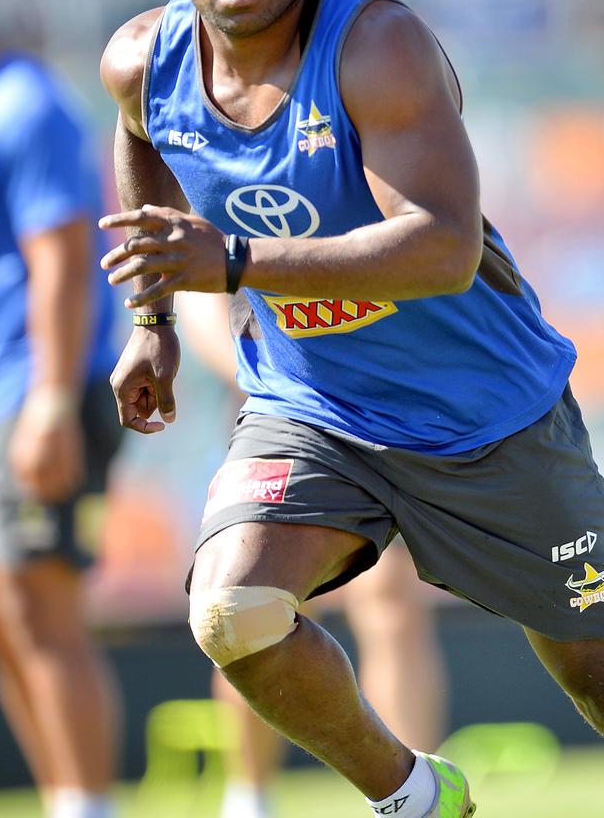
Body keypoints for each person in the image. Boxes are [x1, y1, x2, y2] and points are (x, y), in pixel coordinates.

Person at [98, 0, 604, 818]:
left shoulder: (376, 44)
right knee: (230, 607)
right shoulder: (142, 60)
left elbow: (440, 250)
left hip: (486, 417)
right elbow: (140, 140)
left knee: (598, 667)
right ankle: (417, 798)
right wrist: (152, 323)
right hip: (314, 410)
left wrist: (237, 265)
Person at [178, 290, 448, 818]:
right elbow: (198, 296)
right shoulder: (223, 208)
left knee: (391, 597)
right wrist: (287, 378)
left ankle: (418, 798)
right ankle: (250, 798)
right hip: (277, 414)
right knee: (246, 605)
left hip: (375, 412)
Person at [0, 7, 123, 818]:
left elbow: (63, 258)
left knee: (40, 609)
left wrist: (50, 401)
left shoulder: (24, 104)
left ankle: (88, 805)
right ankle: (63, 801)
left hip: (30, 396)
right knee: (0, 621)